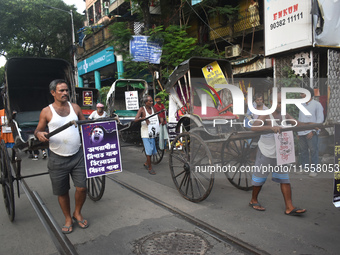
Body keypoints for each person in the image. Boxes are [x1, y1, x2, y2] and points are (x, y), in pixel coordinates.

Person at [35, 79, 88, 234]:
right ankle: (67, 218)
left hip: (77, 156)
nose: (65, 93)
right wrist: (40, 134)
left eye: (66, 90)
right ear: (53, 93)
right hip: (57, 158)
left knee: (82, 188)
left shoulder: (76, 108)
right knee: (62, 191)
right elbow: (38, 130)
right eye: (61, 91)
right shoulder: (46, 111)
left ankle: (77, 212)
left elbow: (86, 126)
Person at [249, 91, 309, 215]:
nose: (282, 105)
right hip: (266, 151)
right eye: (279, 102)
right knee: (260, 179)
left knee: (284, 179)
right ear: (272, 103)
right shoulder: (266, 114)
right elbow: (254, 127)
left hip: (280, 152)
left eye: (283, 103)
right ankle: (253, 200)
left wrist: (313, 125)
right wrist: (270, 128)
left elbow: (298, 124)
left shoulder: (284, 114)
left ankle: (289, 207)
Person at [297, 87, 324, 177]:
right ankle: (305, 168)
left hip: (311, 132)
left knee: (313, 151)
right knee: (303, 151)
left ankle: (314, 169)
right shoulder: (301, 105)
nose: (301, 94)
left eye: (302, 93)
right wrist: (298, 132)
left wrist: (313, 131)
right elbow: (300, 119)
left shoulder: (317, 104)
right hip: (301, 132)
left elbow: (320, 119)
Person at [135, 95, 160, 175]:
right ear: (146, 102)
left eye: (152, 101)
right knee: (149, 151)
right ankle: (150, 168)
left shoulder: (154, 109)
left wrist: (161, 119)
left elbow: (157, 117)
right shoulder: (142, 109)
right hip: (145, 132)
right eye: (150, 101)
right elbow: (136, 119)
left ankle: (146, 163)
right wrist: (143, 118)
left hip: (152, 132)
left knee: (152, 150)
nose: (152, 102)